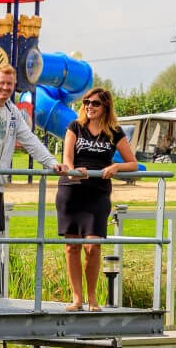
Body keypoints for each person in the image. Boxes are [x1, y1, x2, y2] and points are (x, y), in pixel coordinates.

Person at [0, 65, 67, 311]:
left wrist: (51, 162)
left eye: (9, 84)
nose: (5, 88)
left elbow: (29, 139)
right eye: (1, 84)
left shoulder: (12, 112)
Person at [57, 87, 138, 311]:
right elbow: (67, 157)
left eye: (95, 103)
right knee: (72, 247)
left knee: (93, 246)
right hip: (72, 190)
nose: (89, 107)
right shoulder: (75, 127)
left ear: (106, 107)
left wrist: (116, 167)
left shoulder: (114, 131)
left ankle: (92, 297)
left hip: (97, 193)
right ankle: (76, 298)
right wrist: (73, 172)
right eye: (86, 102)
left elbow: (132, 163)